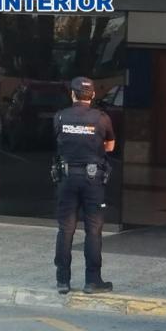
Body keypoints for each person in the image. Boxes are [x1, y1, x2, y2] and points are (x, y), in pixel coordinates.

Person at [52, 76, 116, 295]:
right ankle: (92, 280)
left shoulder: (60, 116)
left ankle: (63, 280)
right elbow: (110, 146)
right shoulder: (101, 118)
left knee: (66, 229)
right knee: (93, 230)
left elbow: (58, 139)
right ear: (93, 95)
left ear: (72, 94)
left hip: (67, 177)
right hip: (92, 179)